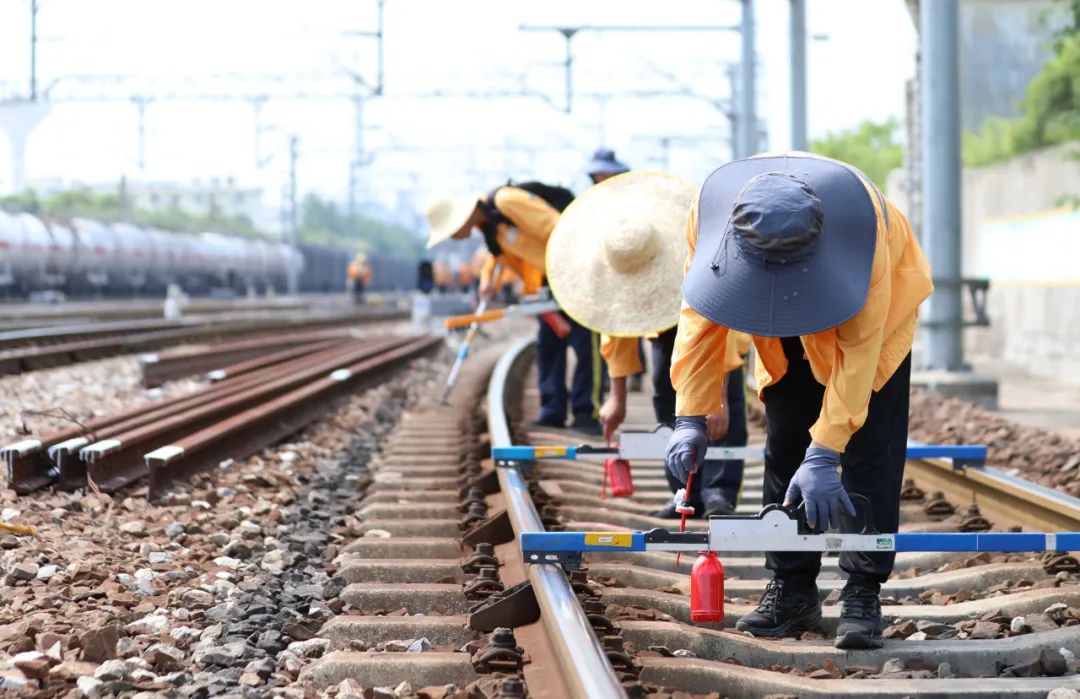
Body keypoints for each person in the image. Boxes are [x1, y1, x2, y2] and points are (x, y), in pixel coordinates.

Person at [664, 152, 933, 650]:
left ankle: (862, 591)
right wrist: (690, 414)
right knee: (786, 444)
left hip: (868, 314)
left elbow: (858, 354)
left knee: (869, 447)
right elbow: (699, 318)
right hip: (776, 323)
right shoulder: (708, 218)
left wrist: (827, 450)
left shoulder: (867, 240)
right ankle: (792, 589)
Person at [546, 170, 750, 517]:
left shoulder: (699, 258)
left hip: (710, 323)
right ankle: (684, 494)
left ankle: (719, 493)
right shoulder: (612, 258)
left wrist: (716, 397)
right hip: (662, 332)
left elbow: (721, 331)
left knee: (719, 414)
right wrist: (617, 397)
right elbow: (617, 330)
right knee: (665, 394)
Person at [425, 186, 604, 433]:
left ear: (461, 219)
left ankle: (586, 413)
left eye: (450, 232)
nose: (454, 238)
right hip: (544, 285)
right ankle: (553, 410)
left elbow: (556, 227)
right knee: (549, 345)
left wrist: (571, 272)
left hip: (573, 275)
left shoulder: (506, 201)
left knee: (586, 345)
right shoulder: (490, 228)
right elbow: (498, 258)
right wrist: (488, 281)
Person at [585, 148, 646, 394]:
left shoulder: (631, 197)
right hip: (607, 269)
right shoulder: (592, 200)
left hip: (635, 266)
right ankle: (618, 375)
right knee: (614, 325)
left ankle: (636, 373)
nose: (602, 177)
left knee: (638, 323)